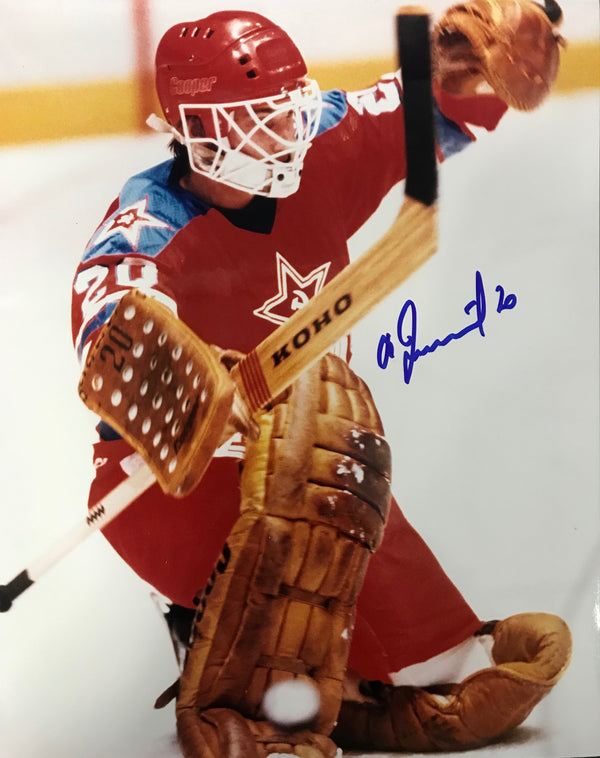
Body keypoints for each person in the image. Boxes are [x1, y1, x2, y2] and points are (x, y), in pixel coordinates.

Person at [71, 5, 570, 754]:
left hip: (310, 449)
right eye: (258, 121)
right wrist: (184, 377)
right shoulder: (149, 221)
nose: (287, 134)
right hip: (169, 476)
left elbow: (420, 105)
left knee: (351, 498)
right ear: (199, 131)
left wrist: (467, 68)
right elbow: (112, 314)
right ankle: (226, 637)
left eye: (288, 110)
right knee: (312, 494)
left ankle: (350, 666)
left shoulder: (318, 143)